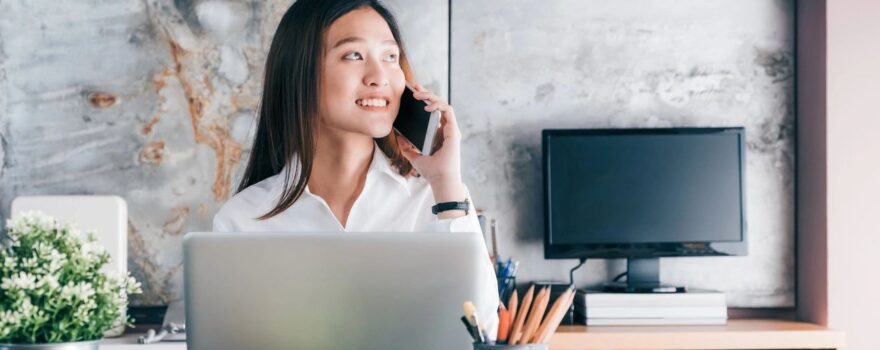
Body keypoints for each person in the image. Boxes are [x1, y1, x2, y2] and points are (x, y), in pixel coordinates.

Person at [211, 0, 500, 339]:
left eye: (390, 57)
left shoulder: (435, 200)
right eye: (353, 55)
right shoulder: (243, 220)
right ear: (299, 72)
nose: (379, 77)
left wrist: (446, 183)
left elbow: (483, 334)